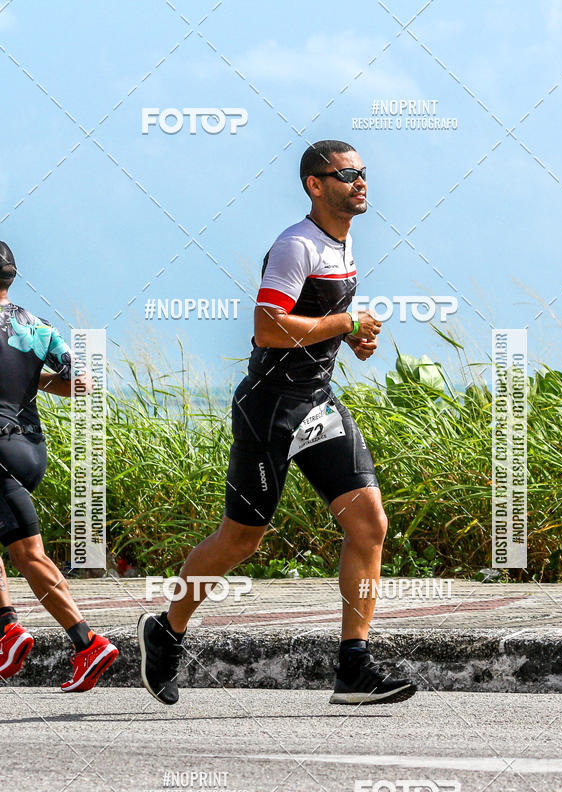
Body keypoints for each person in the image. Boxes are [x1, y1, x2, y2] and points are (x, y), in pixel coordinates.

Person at [138, 140, 416, 706]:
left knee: (369, 525)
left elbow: (314, 327)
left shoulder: (344, 243)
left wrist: (352, 339)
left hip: (317, 403)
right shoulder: (296, 246)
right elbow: (268, 328)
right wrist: (343, 321)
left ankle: (353, 668)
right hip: (269, 409)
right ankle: (166, 633)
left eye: (364, 173)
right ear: (316, 184)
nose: (361, 182)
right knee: (242, 539)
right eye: (347, 175)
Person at [0, 241, 118, 691]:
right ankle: (7, 632)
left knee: (29, 554)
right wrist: (30, 379)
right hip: (29, 452)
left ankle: (87, 643)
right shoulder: (36, 325)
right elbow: (78, 381)